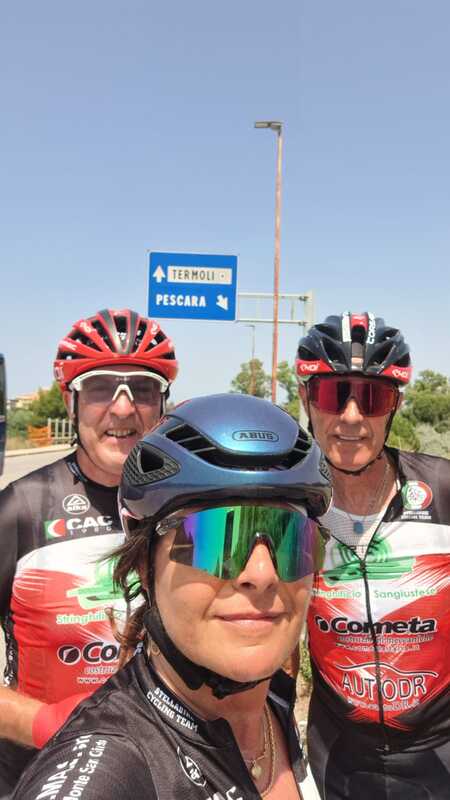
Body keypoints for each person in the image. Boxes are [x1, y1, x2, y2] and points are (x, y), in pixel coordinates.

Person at [12, 393, 331, 800]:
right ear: (145, 566)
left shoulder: (274, 697)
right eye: (216, 541)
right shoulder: (112, 770)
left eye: (291, 541)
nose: (262, 574)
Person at [0, 308, 178, 795]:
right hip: (38, 772)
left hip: (157, 770)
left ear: (162, 404)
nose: (122, 409)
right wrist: (44, 723)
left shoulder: (183, 505)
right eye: (100, 388)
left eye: (142, 389)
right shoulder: (20, 508)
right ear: (70, 400)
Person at [296, 311, 450, 799]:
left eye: (372, 397)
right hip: (338, 752)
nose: (351, 417)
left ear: (394, 405)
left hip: (440, 748)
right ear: (305, 397)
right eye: (332, 394)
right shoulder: (291, 506)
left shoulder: (444, 489)